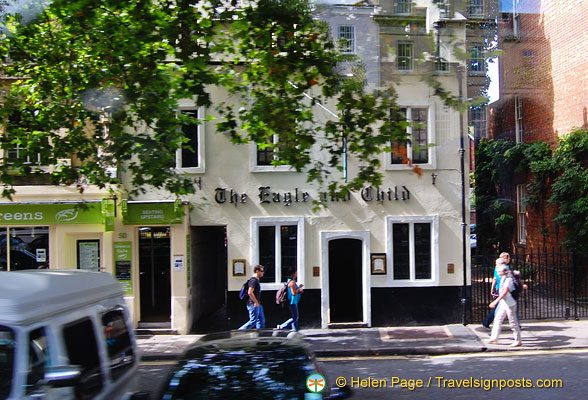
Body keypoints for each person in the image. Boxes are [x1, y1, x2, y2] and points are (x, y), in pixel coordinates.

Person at [488, 260, 521, 347]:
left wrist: (495, 302)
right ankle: (494, 338)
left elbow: (505, 293)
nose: (497, 273)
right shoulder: (503, 278)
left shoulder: (508, 279)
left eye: (499, 271)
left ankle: (518, 340)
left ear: (503, 272)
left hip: (510, 303)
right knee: (498, 318)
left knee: (513, 322)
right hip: (504, 302)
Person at [482, 251, 511, 329]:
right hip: (503, 290)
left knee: (505, 308)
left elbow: (494, 279)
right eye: (508, 257)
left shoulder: (496, 268)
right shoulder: (506, 268)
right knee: (503, 308)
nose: (509, 259)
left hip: (498, 288)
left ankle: (487, 322)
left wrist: (492, 288)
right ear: (506, 258)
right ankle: (486, 322)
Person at [238, 265, 266, 330]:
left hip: (257, 304)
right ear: (257, 271)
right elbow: (250, 292)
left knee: (261, 321)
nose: (263, 273)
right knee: (253, 321)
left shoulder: (256, 280)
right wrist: (256, 302)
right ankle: (239, 331)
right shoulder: (253, 281)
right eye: (261, 271)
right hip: (253, 304)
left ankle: (260, 336)